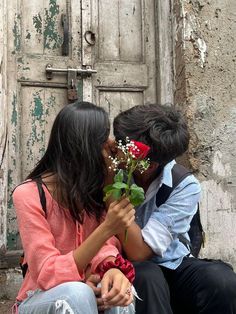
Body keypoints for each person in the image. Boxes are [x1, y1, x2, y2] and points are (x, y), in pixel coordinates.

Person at [12, 101, 136, 314]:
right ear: (84, 146)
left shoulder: (93, 189)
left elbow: (106, 246)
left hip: (84, 288)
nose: (110, 144)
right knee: (77, 294)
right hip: (38, 299)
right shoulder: (29, 194)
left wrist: (112, 269)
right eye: (103, 139)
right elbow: (47, 273)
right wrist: (107, 227)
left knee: (119, 293)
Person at [112, 103, 236, 314]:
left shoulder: (184, 185)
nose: (116, 147)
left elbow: (141, 251)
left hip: (171, 262)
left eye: (124, 145)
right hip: (126, 266)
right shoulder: (111, 170)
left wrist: (112, 196)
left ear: (148, 164)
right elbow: (135, 258)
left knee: (221, 279)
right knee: (147, 275)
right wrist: (109, 178)